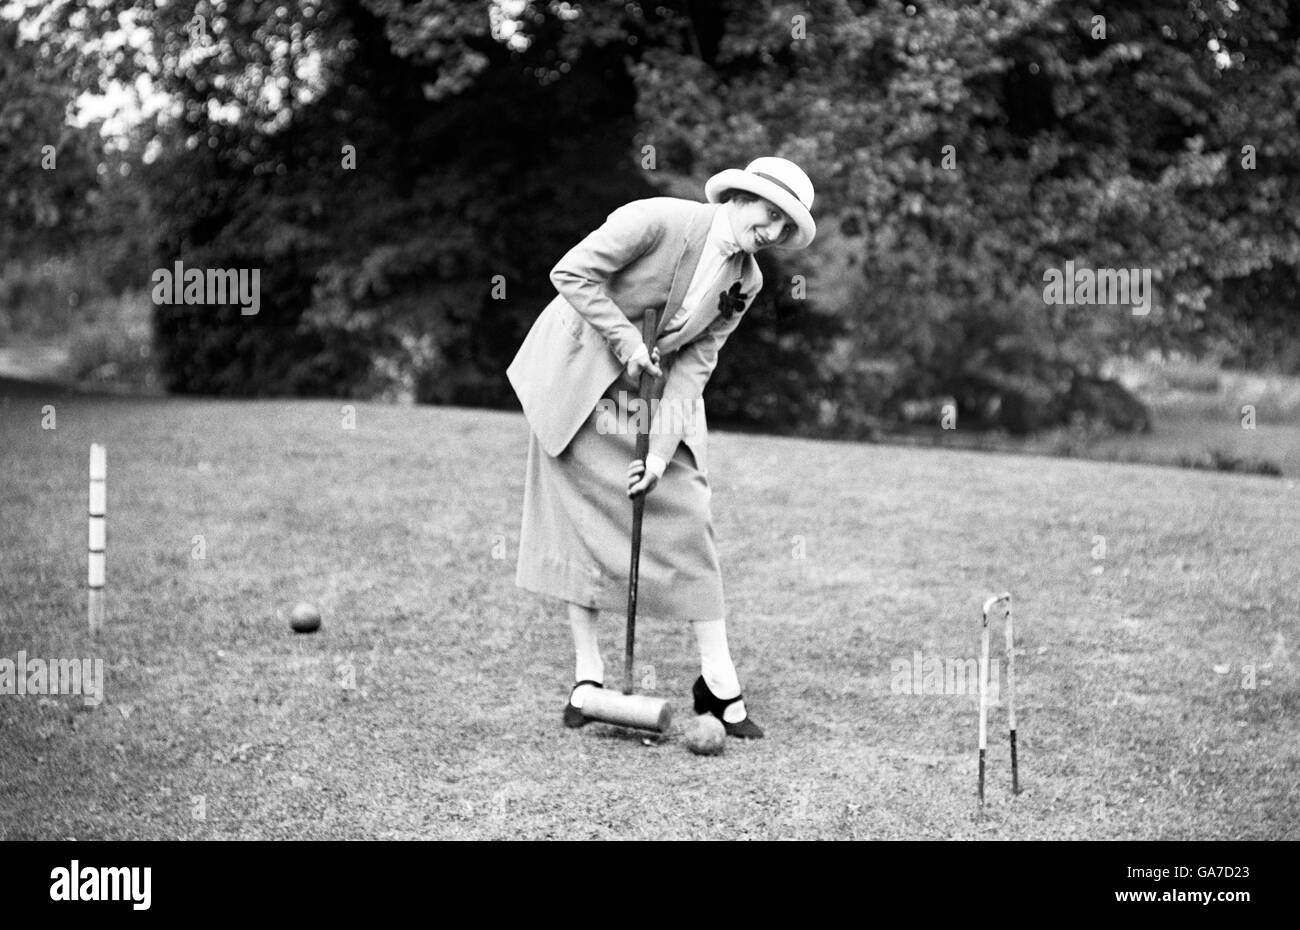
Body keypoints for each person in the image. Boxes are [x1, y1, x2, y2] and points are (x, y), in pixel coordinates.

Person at [507, 156, 817, 738]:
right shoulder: (655, 220)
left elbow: (695, 366)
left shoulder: (746, 281)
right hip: (579, 370)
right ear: (739, 198)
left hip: (654, 384)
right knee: (578, 519)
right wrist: (625, 340)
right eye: (769, 215)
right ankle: (588, 676)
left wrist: (656, 454)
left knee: (689, 507)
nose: (773, 233)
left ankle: (718, 681)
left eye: (785, 226)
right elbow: (570, 274)